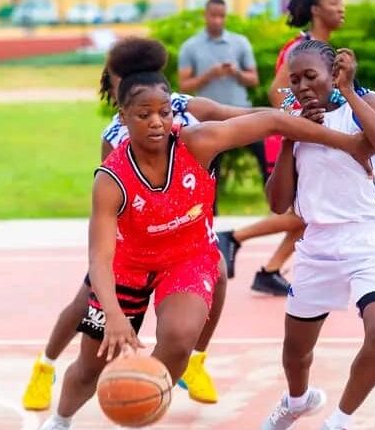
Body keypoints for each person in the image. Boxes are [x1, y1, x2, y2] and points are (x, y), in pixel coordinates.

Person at [38, 36, 373, 430]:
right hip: (128, 265)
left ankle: (141, 400)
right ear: (123, 118)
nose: (157, 122)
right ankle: (60, 420)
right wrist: (112, 314)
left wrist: (350, 144)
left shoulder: (197, 142)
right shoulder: (111, 177)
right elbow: (100, 257)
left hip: (187, 257)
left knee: (180, 339)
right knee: (89, 367)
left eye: (164, 112)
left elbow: (273, 122)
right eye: (144, 115)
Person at [22, 37, 277, 410]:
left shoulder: (183, 106)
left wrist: (287, 117)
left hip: (187, 222)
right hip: (135, 239)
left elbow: (234, 114)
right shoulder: (116, 136)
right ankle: (45, 365)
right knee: (85, 302)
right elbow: (114, 193)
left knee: (218, 271)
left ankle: (194, 360)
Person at [261, 40, 375, 430]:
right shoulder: (292, 118)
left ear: (334, 74)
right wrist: (292, 135)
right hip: (318, 244)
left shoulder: (365, 102)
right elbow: (278, 203)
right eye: (295, 80)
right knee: (296, 351)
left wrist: (349, 92)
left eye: (311, 76)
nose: (303, 86)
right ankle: (297, 401)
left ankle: (339, 421)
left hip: (371, 238)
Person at [217, 0, 353, 296]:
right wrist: (300, 123)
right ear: (316, 9)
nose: (341, 7)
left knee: (313, 212)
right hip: (290, 141)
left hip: (309, 137)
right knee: (308, 212)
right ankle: (234, 237)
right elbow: (277, 93)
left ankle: (270, 270)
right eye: (333, 2)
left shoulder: (319, 47)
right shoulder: (301, 48)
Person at [178, 0, 267, 216]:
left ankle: (279, 209)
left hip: (241, 114)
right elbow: (184, 85)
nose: (218, 20)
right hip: (208, 120)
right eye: (213, 16)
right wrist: (209, 75)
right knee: (209, 169)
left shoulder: (240, 42)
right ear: (205, 15)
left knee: (265, 159)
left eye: (222, 16)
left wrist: (236, 72)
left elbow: (253, 79)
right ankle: (209, 215)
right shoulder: (191, 46)